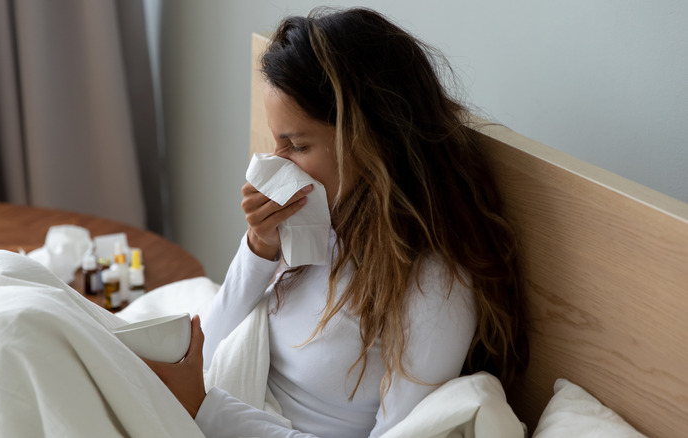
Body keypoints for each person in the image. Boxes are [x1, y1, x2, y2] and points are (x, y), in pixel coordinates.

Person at [146, 7, 529, 438]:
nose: (275, 162)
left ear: (368, 138)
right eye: (276, 141)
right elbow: (213, 351)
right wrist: (258, 249)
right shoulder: (317, 220)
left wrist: (205, 410)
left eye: (296, 144)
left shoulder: (433, 285)